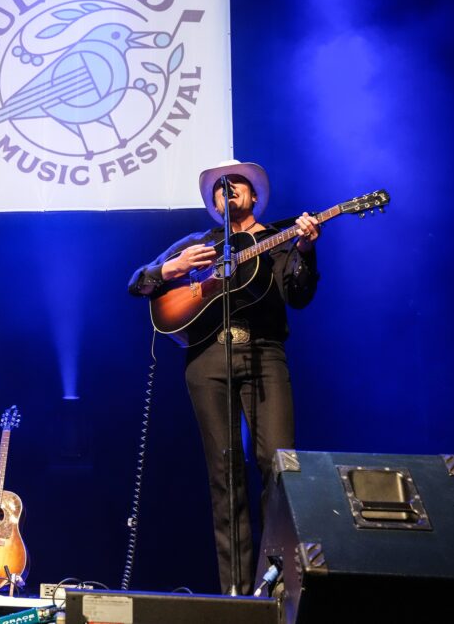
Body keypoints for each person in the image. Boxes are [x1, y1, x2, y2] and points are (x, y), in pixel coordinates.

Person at [127, 160, 321, 595]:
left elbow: (299, 295)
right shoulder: (198, 243)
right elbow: (137, 284)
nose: (228, 190)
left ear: (253, 197)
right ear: (214, 202)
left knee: (279, 466)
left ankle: (276, 587)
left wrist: (306, 251)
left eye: (237, 185)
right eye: (220, 187)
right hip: (207, 357)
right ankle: (235, 593)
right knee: (224, 472)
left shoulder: (278, 239)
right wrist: (171, 270)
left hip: (265, 353)